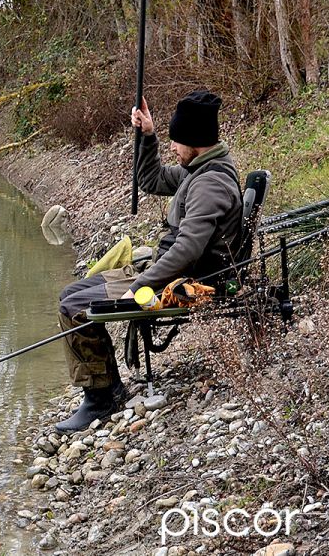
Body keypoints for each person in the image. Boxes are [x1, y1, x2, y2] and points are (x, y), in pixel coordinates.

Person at [53, 90, 244, 432]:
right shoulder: (197, 170)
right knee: (71, 293)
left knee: (74, 308)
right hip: (169, 273)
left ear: (195, 143)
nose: (173, 148)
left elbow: (187, 250)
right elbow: (151, 180)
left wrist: (140, 286)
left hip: (184, 285)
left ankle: (101, 397)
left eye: (176, 142)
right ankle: (103, 388)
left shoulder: (210, 183)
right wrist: (148, 136)